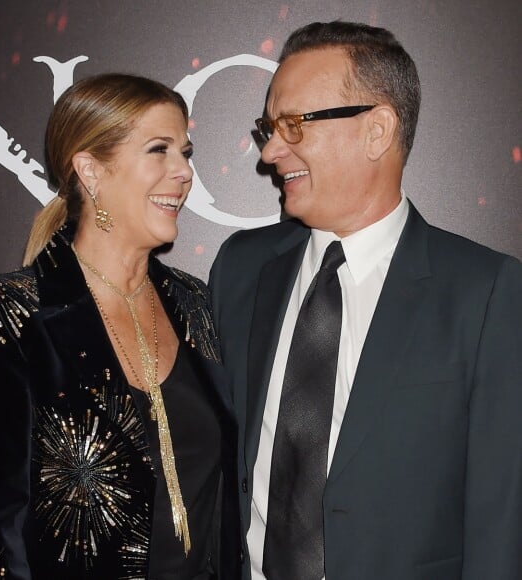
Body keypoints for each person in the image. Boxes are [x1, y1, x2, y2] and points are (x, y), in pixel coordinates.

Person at [209, 21, 522, 580]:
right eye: (268, 128)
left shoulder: (486, 292)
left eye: (294, 125)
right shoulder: (241, 268)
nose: (271, 151)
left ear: (377, 130)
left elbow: (501, 519)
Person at [0, 73, 240, 580]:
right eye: (159, 150)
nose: (184, 172)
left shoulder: (193, 304)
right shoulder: (1, 315)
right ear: (91, 170)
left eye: (185, 153)